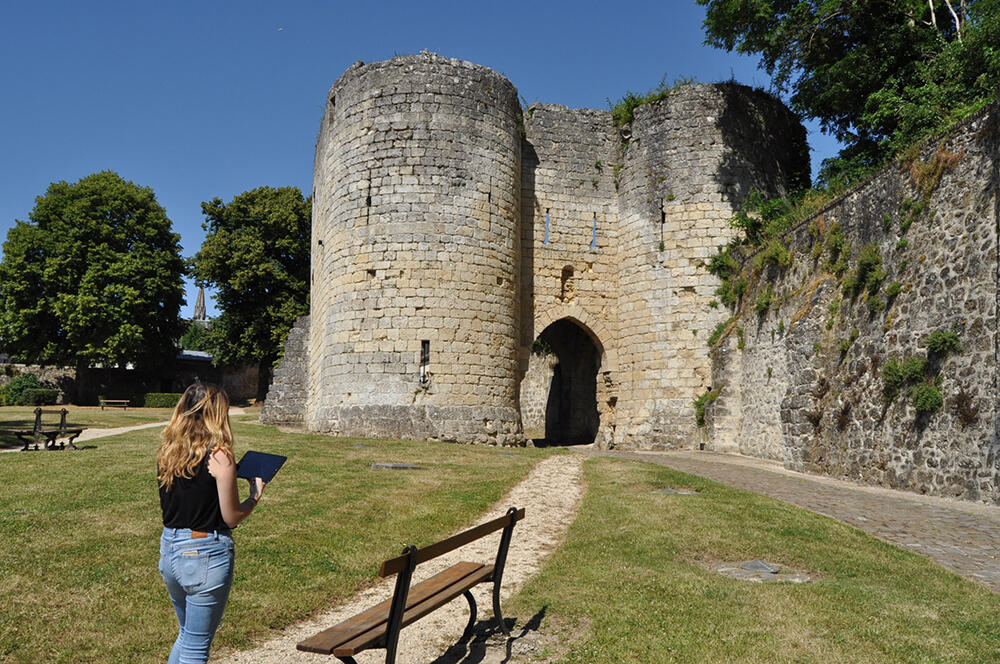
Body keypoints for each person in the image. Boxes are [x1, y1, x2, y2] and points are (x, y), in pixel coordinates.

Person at [156, 383, 265, 664]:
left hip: (170, 548)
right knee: (196, 648)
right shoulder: (220, 455)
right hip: (205, 552)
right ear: (217, 414)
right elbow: (232, 516)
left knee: (186, 635)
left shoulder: (169, 451)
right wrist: (254, 496)